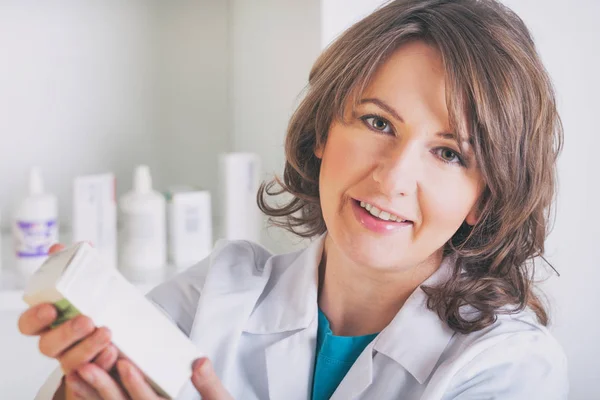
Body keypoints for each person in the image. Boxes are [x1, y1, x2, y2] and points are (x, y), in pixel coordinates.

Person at [18, 0, 568, 398]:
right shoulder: (220, 289)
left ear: (483, 198)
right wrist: (84, 388)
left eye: (449, 154)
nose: (393, 177)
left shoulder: (510, 367)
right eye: (378, 122)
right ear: (324, 131)